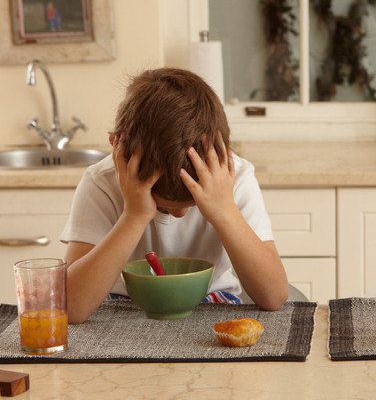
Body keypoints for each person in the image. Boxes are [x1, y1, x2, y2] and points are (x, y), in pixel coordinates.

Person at [61, 68, 289, 324]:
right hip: (119, 313)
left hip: (213, 308)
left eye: (190, 205)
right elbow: (69, 308)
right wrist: (134, 215)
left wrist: (224, 211)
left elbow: (274, 296)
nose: (180, 214)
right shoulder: (102, 182)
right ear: (119, 150)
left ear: (222, 155)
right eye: (165, 207)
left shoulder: (234, 179)